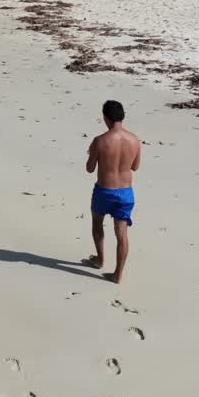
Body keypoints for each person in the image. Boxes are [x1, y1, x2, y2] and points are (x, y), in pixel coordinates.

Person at [83, 100, 141, 283]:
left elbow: (90, 169)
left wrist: (92, 152)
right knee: (122, 234)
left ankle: (100, 259)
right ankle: (118, 274)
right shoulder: (134, 140)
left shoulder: (100, 141)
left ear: (105, 118)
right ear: (122, 117)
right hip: (125, 192)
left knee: (97, 224)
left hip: (104, 191)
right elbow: (135, 167)